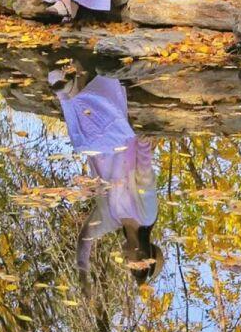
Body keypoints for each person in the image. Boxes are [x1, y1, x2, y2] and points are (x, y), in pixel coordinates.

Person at [48, 63, 163, 288]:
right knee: (100, 136)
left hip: (97, 150)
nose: (126, 259)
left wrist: (83, 272)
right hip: (121, 144)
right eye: (131, 263)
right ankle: (69, 88)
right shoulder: (146, 216)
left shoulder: (110, 220)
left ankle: (67, 91)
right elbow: (145, 176)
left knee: (82, 143)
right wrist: (144, 145)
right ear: (142, 256)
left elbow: (86, 238)